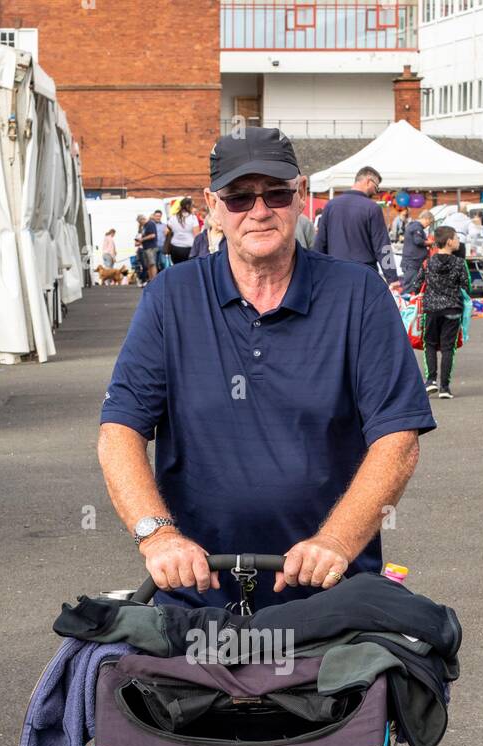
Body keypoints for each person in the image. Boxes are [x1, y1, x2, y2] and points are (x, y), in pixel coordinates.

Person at [98, 126, 435, 608]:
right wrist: (158, 537)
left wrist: (336, 541)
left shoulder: (358, 294)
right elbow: (120, 432)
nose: (259, 211)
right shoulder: (170, 298)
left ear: (300, 196)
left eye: (275, 193)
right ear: (212, 205)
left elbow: (397, 439)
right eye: (239, 198)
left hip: (329, 590)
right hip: (198, 591)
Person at [313, 166, 397, 283]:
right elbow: (382, 246)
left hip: (334, 272)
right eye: (376, 187)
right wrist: (392, 278)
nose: (375, 192)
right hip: (363, 275)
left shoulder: (331, 205)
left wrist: (315, 272)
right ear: (368, 181)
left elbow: (320, 243)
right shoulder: (372, 208)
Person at [420, 225, 470, 399]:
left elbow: (418, 283)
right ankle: (445, 387)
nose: (458, 241)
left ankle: (430, 380)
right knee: (449, 347)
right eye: (456, 238)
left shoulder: (428, 262)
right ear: (449, 242)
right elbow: (466, 286)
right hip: (453, 308)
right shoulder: (459, 263)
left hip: (431, 308)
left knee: (430, 343)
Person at [399, 209, 433, 295]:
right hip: (412, 262)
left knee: (413, 286)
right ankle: (404, 305)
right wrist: (430, 243)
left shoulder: (414, 226)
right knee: (409, 287)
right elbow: (418, 241)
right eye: (429, 222)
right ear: (426, 219)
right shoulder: (416, 227)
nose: (428, 225)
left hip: (413, 262)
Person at [165, 197, 198, 265]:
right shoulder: (193, 218)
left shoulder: (173, 217)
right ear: (188, 206)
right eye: (192, 205)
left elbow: (166, 231)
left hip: (175, 248)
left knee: (176, 268)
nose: (193, 207)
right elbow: (196, 235)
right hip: (188, 248)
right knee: (188, 269)